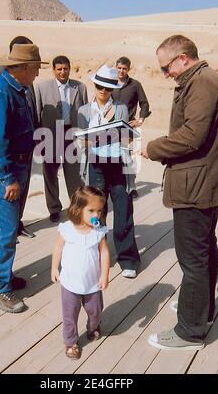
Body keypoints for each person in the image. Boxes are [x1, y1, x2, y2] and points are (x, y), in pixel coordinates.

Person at [141, 35, 218, 350]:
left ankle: (190, 331)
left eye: (166, 67)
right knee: (204, 251)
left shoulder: (203, 84)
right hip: (200, 183)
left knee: (192, 258)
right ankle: (201, 311)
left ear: (183, 58)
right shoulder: (200, 81)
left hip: (196, 186)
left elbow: (192, 136)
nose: (165, 74)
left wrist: (153, 148)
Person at [0, 43, 46, 313]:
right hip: (0, 167)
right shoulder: (0, 93)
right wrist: (8, 179)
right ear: (25, 67)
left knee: (3, 226)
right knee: (1, 229)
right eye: (37, 68)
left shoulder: (16, 88)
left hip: (13, 164)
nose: (38, 74)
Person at [77, 65, 141, 278]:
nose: (103, 90)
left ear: (113, 88)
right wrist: (93, 139)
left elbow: (125, 137)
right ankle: (95, 254)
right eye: (99, 86)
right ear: (94, 85)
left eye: (107, 87)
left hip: (118, 166)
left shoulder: (121, 108)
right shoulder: (84, 111)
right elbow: (81, 141)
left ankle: (128, 259)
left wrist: (117, 138)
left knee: (123, 209)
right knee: (95, 211)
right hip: (95, 166)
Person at [0, 36, 42, 239]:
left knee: (22, 191)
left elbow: (32, 109)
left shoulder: (26, 80)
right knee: (4, 209)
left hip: (24, 152)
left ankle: (17, 225)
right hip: (9, 155)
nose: (38, 73)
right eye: (35, 67)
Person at [51, 186, 110, 360]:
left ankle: (93, 327)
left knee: (95, 311)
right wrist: (54, 267)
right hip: (70, 284)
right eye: (91, 210)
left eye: (99, 211)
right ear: (78, 209)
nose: (96, 215)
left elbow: (105, 253)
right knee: (69, 315)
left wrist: (105, 275)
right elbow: (58, 247)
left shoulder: (98, 232)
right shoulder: (67, 229)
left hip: (92, 284)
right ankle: (71, 342)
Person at [35, 56, 88, 223]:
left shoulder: (80, 87)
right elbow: (37, 113)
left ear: (69, 68)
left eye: (65, 68)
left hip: (71, 134)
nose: (62, 72)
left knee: (74, 174)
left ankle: (77, 207)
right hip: (50, 135)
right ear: (54, 70)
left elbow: (85, 111)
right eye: (59, 69)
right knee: (50, 173)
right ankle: (54, 208)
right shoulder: (42, 87)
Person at [113, 56, 151, 198]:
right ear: (115, 67)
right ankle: (115, 185)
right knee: (111, 156)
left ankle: (132, 187)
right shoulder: (110, 83)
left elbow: (144, 103)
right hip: (110, 127)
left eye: (124, 68)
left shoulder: (135, 85)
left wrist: (140, 120)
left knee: (126, 157)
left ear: (128, 69)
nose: (121, 71)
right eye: (119, 68)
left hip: (127, 127)